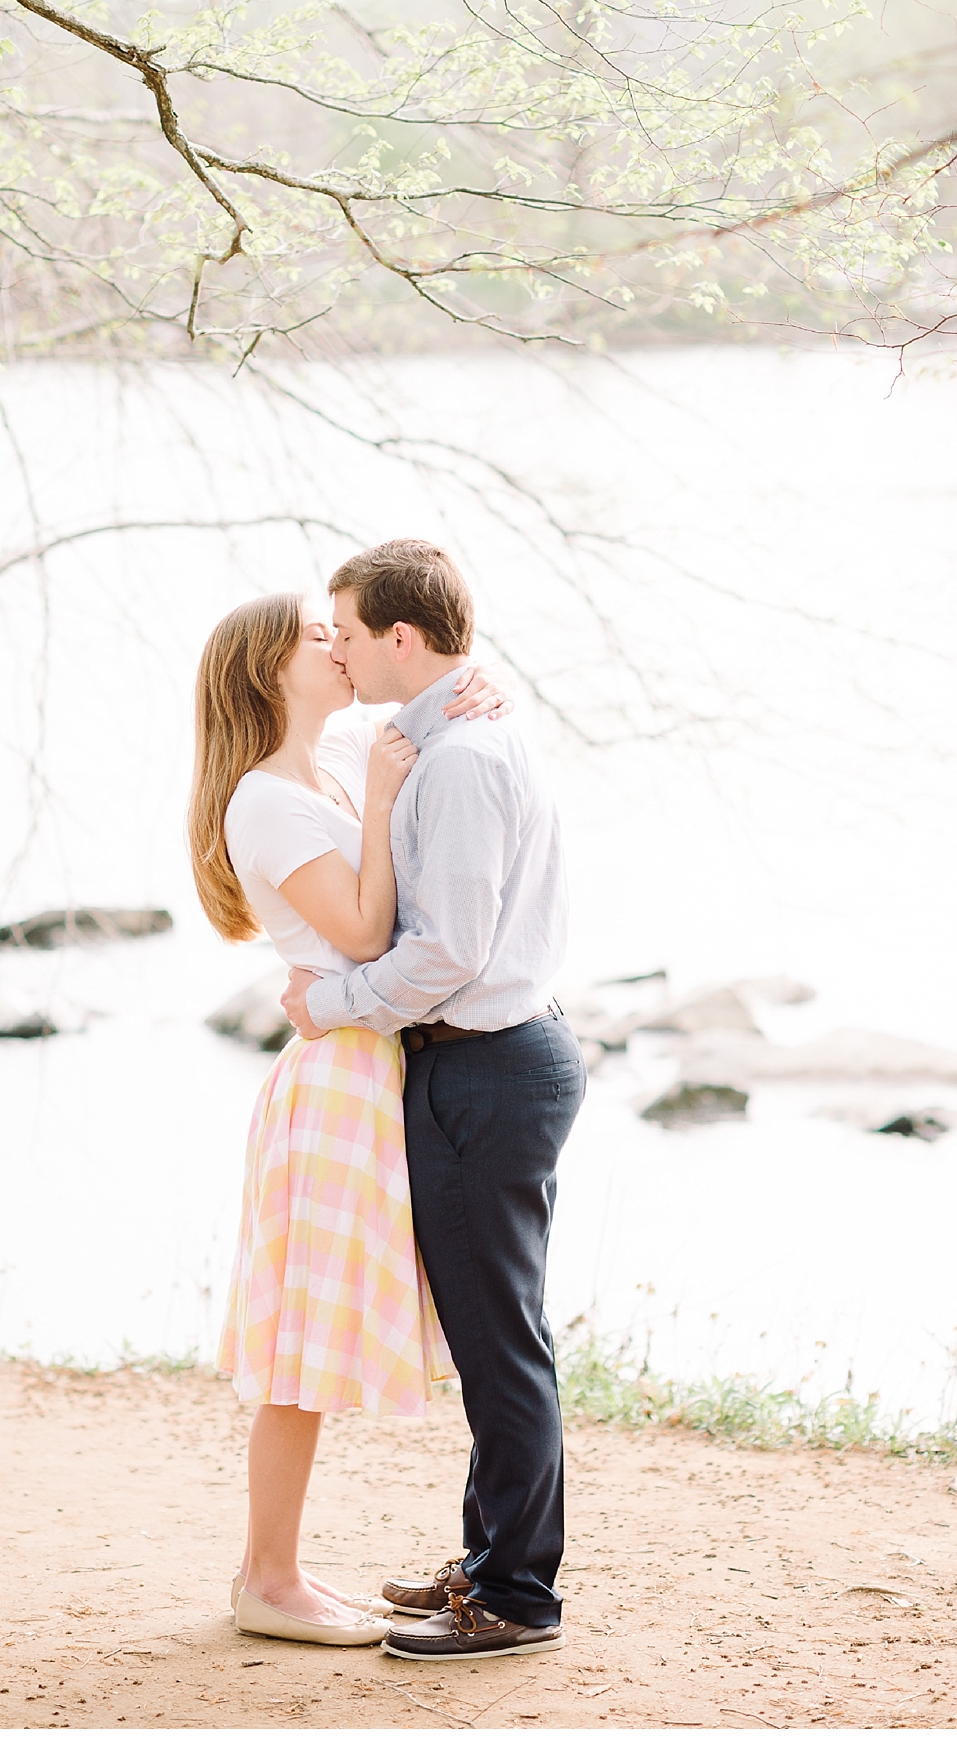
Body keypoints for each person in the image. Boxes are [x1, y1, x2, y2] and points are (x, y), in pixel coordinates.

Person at [276, 538, 588, 1664]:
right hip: (492, 1061)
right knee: (494, 1333)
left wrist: (336, 1002)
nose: (342, 654)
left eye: (350, 634)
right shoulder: (453, 728)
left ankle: (516, 1599)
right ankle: (488, 1562)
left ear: (401, 637)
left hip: (487, 1063)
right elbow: (360, 735)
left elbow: (447, 950)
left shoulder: (460, 759)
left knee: (502, 1342)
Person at [188, 591, 511, 1646]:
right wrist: (377, 798)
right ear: (268, 671)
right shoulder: (270, 800)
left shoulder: (320, 773)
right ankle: (266, 1581)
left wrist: (476, 700)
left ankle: (274, 1572)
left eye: (342, 633)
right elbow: (369, 934)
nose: (338, 647)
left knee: (314, 1339)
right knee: (299, 1346)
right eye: (317, 639)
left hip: (366, 1070)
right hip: (337, 1080)